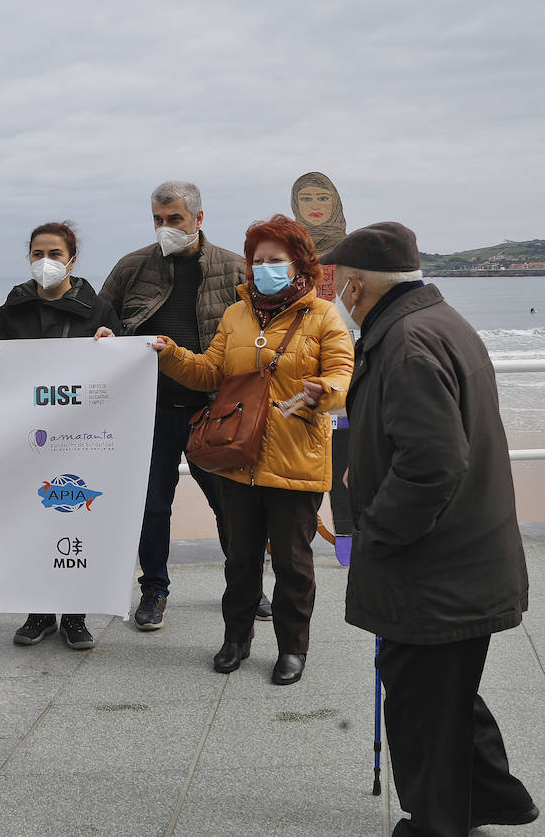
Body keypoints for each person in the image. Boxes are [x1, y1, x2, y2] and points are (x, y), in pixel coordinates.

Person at [327, 222, 536, 834]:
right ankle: (496, 796)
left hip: (432, 566)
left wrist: (376, 530)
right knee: (446, 693)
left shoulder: (406, 341)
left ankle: (437, 823)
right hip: (461, 557)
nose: (337, 289)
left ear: (357, 284)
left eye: (340, 279)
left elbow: (433, 463)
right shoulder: (434, 322)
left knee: (423, 705)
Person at [149, 215, 353, 685]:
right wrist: (170, 353)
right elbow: (209, 372)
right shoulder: (236, 315)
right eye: (258, 260)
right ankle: (235, 639)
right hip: (238, 459)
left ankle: (292, 649)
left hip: (296, 458)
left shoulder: (322, 315)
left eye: (274, 260)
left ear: (298, 262)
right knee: (240, 559)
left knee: (293, 563)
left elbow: (344, 374)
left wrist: (326, 389)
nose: (264, 267)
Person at [98, 181, 250, 632]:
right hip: (148, 410)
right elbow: (99, 321)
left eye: (175, 219)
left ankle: (245, 586)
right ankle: (154, 590)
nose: (166, 228)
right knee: (152, 507)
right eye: (158, 220)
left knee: (230, 505)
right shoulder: (132, 267)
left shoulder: (235, 269)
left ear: (199, 219)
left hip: (214, 409)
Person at [0, 222, 122, 649]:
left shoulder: (98, 306)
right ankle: (39, 611)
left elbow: (123, 359)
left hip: (81, 434)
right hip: (28, 433)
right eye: (37, 253)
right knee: (32, 518)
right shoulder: (14, 305)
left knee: (78, 518)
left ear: (72, 258)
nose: (45, 262)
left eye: (55, 253)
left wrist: (114, 342)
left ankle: (75, 614)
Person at [291, 171, 355, 546]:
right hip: (296, 381)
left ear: (336, 203)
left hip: (346, 379)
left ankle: (348, 541)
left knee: (347, 469)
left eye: (322, 198)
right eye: (306, 199)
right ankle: (290, 544)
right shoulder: (286, 254)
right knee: (296, 469)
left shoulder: (354, 252)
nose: (315, 207)